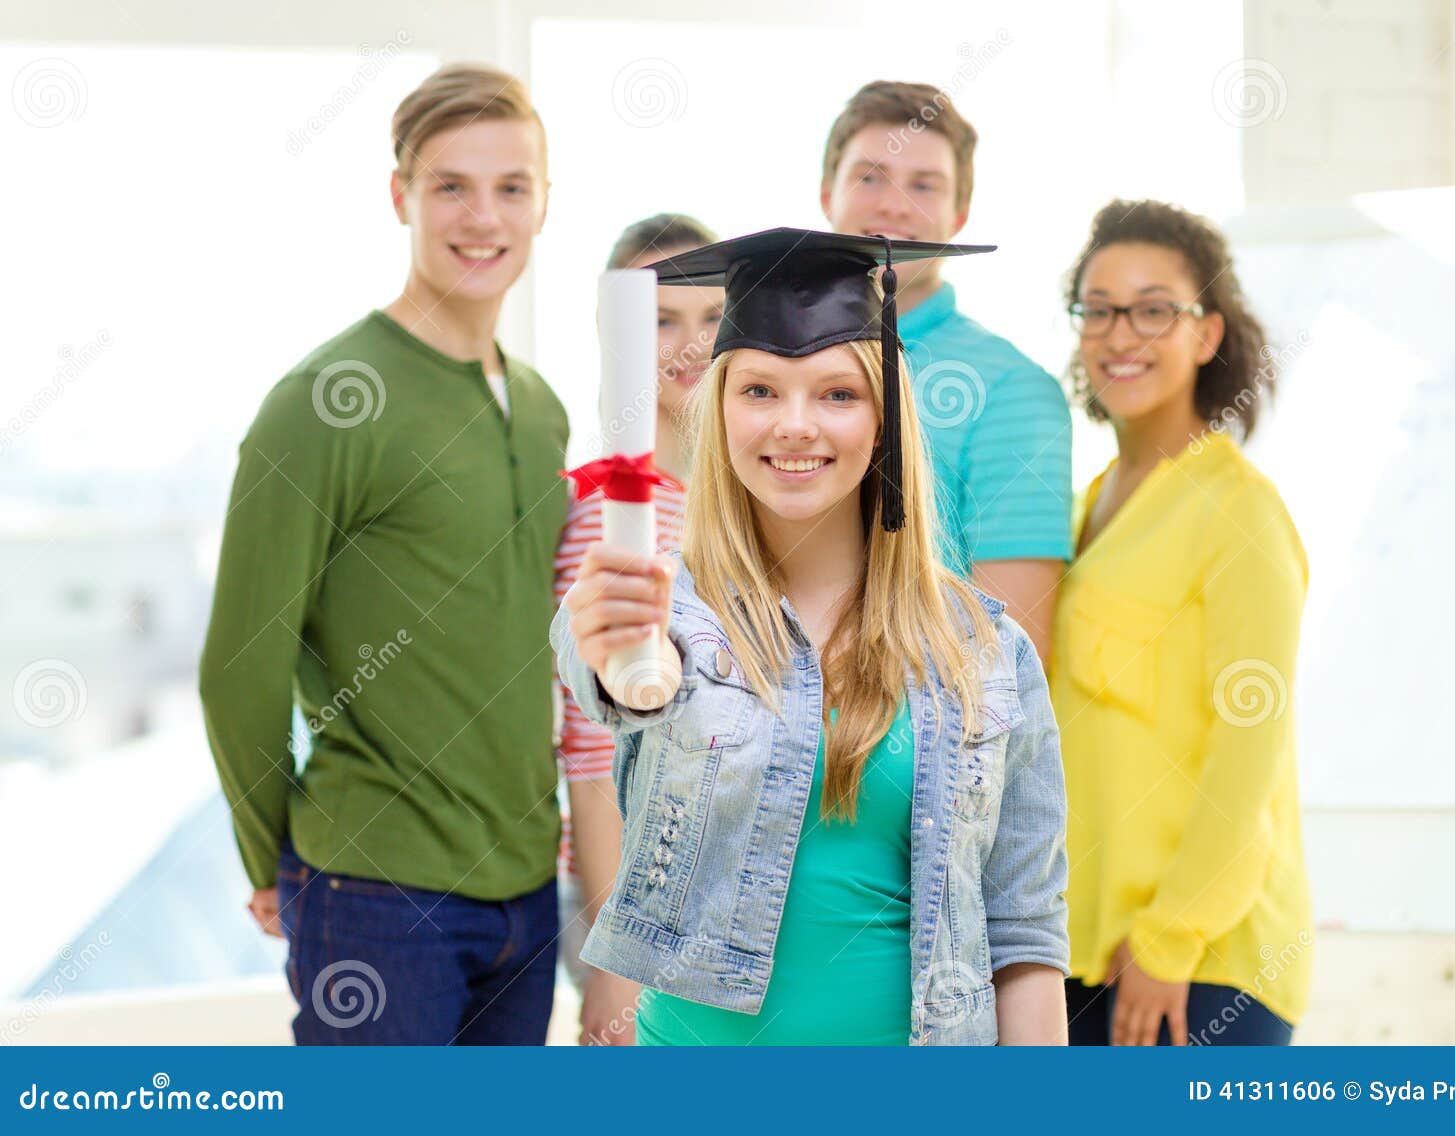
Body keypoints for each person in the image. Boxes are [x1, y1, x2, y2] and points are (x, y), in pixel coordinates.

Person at [552, 228, 1069, 1046]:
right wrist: (609, 646)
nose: (796, 424)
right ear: (718, 410)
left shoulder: (987, 653)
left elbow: (1026, 935)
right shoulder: (668, 613)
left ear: (884, 419)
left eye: (837, 394)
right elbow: (617, 679)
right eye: (759, 390)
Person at [199, 64, 569, 1045]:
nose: (482, 216)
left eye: (511, 187)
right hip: (374, 891)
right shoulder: (324, 401)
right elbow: (239, 664)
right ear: (400, 195)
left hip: (529, 890)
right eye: (451, 184)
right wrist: (267, 859)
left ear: (543, 203)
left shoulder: (540, 407)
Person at [1050, 199, 1313, 1045]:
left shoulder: (1240, 514)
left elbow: (1249, 753)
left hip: (1196, 966)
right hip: (1082, 950)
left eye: (1155, 308)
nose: (1121, 334)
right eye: (1099, 308)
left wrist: (1171, 939)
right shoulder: (1088, 505)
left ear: (1206, 333)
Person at [820, 81, 1072, 665]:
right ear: (826, 192)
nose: (892, 205)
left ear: (960, 213)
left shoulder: (1015, 392)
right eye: (869, 176)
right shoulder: (767, 365)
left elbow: (1011, 660)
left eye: (924, 185)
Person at [552, 213, 722, 1044]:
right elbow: (594, 758)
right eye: (659, 318)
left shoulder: (747, 505)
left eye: (712, 318)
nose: (689, 345)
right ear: (614, 329)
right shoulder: (611, 515)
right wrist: (611, 969)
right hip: (634, 909)